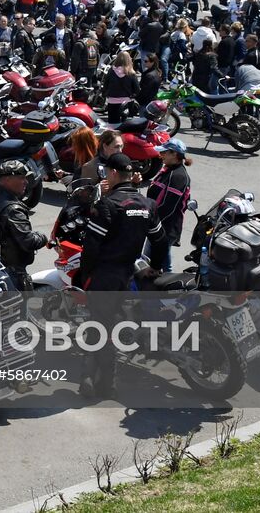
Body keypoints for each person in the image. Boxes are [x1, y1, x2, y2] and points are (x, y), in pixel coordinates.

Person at [77, 152, 166, 398]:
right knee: (106, 326)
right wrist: (155, 267)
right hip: (129, 274)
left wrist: (86, 277)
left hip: (105, 276)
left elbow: (91, 247)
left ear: (114, 174)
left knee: (102, 328)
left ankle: (105, 385)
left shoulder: (108, 204)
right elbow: (160, 241)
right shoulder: (148, 205)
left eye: (107, 172)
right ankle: (90, 377)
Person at [0, 159, 48, 285]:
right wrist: (43, 237)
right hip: (10, 271)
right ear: (7, 179)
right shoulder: (13, 210)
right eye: (22, 178)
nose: (26, 182)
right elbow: (29, 242)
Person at [146, 138, 192, 272]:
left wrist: (151, 223)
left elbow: (168, 206)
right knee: (157, 260)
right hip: (158, 224)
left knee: (156, 261)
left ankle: (170, 289)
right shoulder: (167, 170)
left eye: (165, 152)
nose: (161, 155)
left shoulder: (178, 176)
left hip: (165, 227)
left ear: (174, 154)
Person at [102, 51, 139, 124]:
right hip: (127, 102)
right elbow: (137, 89)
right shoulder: (131, 73)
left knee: (113, 124)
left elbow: (105, 84)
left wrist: (106, 94)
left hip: (112, 101)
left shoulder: (111, 71)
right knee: (127, 125)